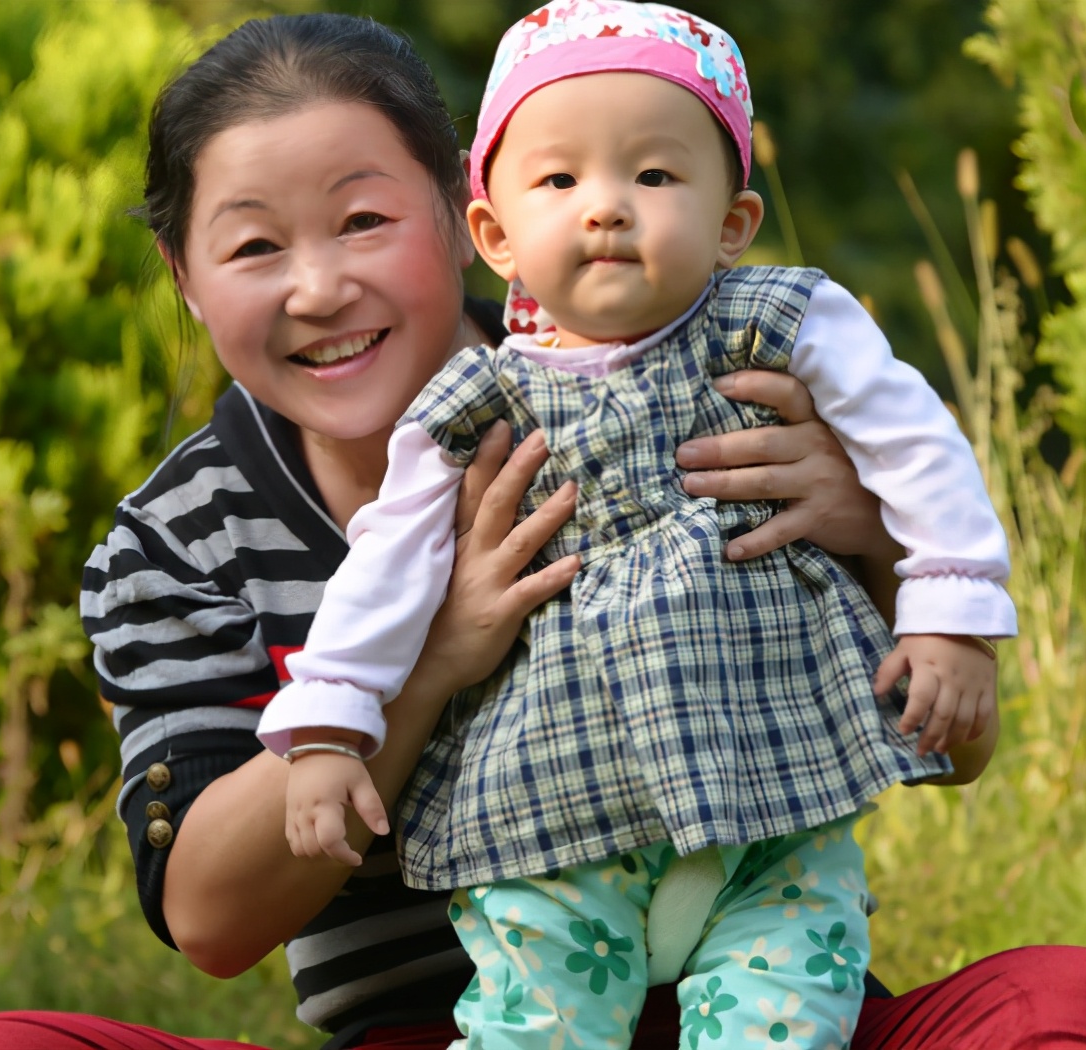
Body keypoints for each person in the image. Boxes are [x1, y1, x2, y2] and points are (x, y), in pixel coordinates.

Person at [0, 11, 1086, 1050]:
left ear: (471, 217)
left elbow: (958, 749)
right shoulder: (179, 539)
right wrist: (434, 656)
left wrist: (867, 537)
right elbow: (210, 919)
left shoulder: (723, 376)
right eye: (250, 246)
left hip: (770, 995)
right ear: (187, 281)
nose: (319, 287)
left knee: (1080, 1001)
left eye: (364, 221)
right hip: (459, 1024)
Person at [259, 3, 1014, 1046]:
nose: (606, 207)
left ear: (731, 222)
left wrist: (948, 615)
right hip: (551, 812)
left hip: (771, 784)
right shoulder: (474, 410)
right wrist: (330, 727)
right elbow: (385, 564)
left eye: (654, 177)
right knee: (537, 1023)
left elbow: (913, 445)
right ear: (494, 233)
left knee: (788, 1008)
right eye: (559, 181)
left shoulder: (782, 323)